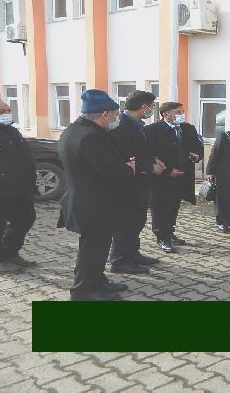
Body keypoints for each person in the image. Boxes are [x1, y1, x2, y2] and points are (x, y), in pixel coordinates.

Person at [57, 90, 136, 301]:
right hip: (94, 204)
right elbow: (108, 169)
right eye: (115, 114)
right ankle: (83, 291)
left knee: (98, 247)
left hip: (88, 200)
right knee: (92, 248)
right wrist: (129, 168)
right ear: (104, 114)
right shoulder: (91, 136)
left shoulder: (74, 129)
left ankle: (97, 280)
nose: (116, 118)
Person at [108, 91, 166, 274]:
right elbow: (122, 157)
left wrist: (154, 159)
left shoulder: (137, 124)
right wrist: (149, 167)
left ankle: (132, 254)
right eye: (152, 106)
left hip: (140, 184)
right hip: (127, 183)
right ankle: (119, 260)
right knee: (125, 223)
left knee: (137, 221)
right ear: (144, 107)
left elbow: (142, 150)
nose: (152, 109)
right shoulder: (119, 127)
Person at [145, 102, 203, 253]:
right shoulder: (152, 130)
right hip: (162, 178)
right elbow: (148, 154)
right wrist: (167, 171)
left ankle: (170, 233)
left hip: (182, 176)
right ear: (166, 114)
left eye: (182, 111)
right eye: (178, 112)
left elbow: (198, 147)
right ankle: (162, 237)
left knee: (173, 207)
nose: (182, 114)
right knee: (160, 208)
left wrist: (197, 155)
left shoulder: (188, 129)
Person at [0, 98, 37, 267]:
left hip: (20, 189)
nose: (7, 114)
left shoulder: (12, 131)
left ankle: (9, 253)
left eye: (8, 110)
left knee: (26, 218)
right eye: (1, 112)